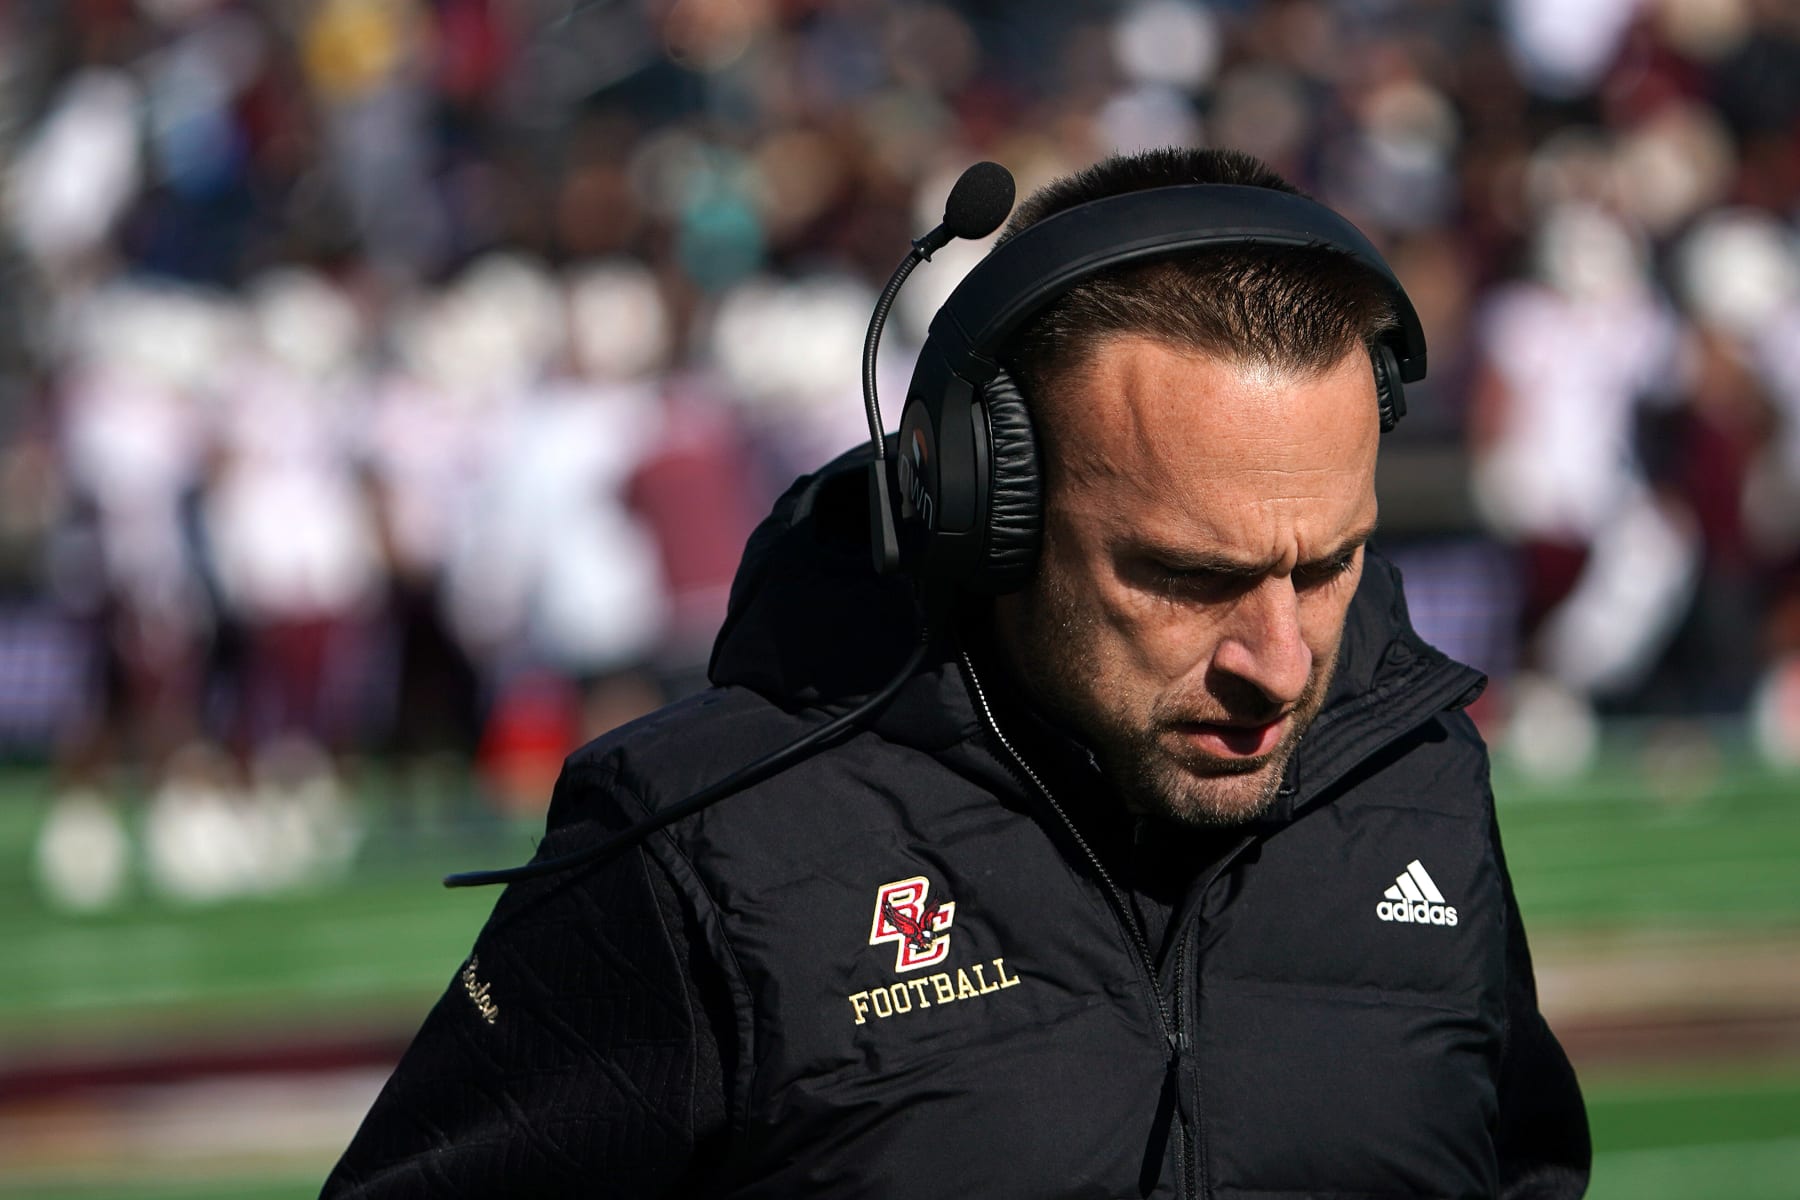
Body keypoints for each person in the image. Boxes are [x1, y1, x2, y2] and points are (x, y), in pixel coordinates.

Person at [323, 148, 1590, 1198]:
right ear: (987, 509)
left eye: (1328, 565)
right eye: (1187, 577)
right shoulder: (698, 849)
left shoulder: (1419, 772)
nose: (1280, 661)